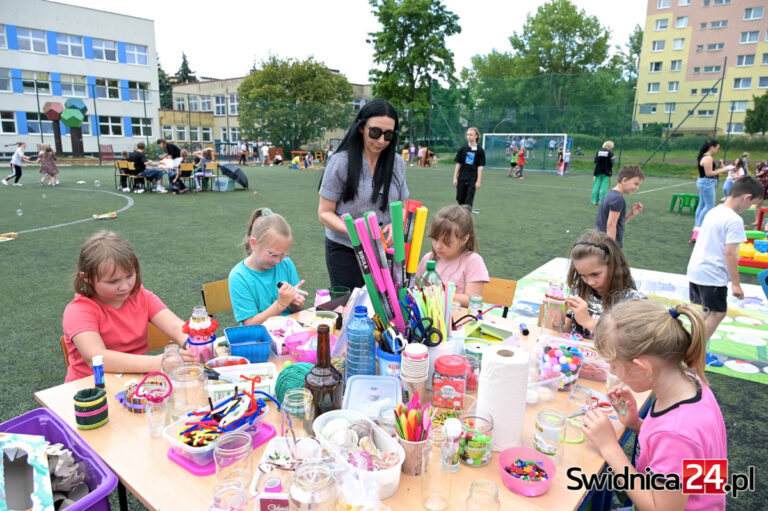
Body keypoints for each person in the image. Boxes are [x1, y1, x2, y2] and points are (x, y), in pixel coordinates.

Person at [583, 300, 727, 511]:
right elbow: (678, 454)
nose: (612, 372)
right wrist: (635, 423)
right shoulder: (689, 383)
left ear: (643, 367)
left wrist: (609, 447)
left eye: (614, 365)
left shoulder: (676, 432)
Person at [62, 231, 195, 382]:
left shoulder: (141, 295)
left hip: (133, 381)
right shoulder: (79, 311)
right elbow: (97, 357)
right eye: (113, 281)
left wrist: (192, 343)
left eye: (130, 276)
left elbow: (176, 326)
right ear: (86, 278)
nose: (124, 286)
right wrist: (157, 362)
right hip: (90, 388)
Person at [318, 99, 408, 290]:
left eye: (388, 134)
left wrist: (396, 224)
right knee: (350, 306)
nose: (381, 141)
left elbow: (404, 205)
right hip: (347, 250)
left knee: (385, 310)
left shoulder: (397, 163)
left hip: (385, 251)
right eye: (375, 132)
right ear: (361, 127)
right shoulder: (340, 162)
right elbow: (324, 213)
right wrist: (358, 231)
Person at [686, 177, 763, 366]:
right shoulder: (734, 219)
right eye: (752, 204)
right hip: (713, 275)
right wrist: (736, 283)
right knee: (717, 313)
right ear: (747, 197)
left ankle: (690, 348)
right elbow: (730, 253)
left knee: (705, 312)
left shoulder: (714, 211)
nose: (750, 208)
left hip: (697, 270)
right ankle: (696, 354)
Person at [228, 208, 307, 325]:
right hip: (260, 339)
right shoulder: (239, 277)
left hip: (290, 332)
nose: (278, 260)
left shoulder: (286, 264)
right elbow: (249, 324)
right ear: (254, 243)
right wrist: (281, 304)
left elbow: (299, 312)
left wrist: (294, 302)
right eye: (273, 254)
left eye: (283, 254)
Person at [564, 230, 646, 339]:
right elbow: (564, 330)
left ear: (614, 267)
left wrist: (589, 322)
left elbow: (633, 342)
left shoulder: (635, 302)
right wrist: (556, 316)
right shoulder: (579, 292)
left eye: (595, 274)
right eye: (582, 275)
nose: (590, 282)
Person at [415, 205, 489, 307]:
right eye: (435, 239)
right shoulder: (428, 259)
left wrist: (441, 294)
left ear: (464, 239)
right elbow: (415, 288)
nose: (438, 246)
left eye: (447, 242)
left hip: (458, 319)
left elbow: (472, 300)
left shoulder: (473, 261)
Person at [594, 165, 645, 248]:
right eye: (636, 184)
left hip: (601, 242)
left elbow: (617, 222)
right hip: (606, 245)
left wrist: (632, 214)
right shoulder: (618, 199)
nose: (637, 188)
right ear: (624, 180)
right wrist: (612, 249)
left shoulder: (611, 194)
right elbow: (611, 225)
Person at [691, 140, 731, 242]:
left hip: (703, 182)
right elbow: (709, 173)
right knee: (709, 206)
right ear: (712, 147)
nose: (718, 150)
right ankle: (698, 230)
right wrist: (725, 170)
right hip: (707, 183)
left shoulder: (703, 156)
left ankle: (696, 231)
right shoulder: (708, 158)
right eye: (717, 148)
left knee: (702, 205)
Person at [452, 127, 485, 214]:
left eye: (471, 135)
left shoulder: (480, 151)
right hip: (462, 177)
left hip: (472, 178)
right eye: (467, 135)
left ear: (476, 136)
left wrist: (478, 181)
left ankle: (466, 220)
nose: (468, 136)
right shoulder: (462, 149)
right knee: (460, 199)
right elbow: (458, 164)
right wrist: (455, 178)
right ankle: (460, 217)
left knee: (469, 200)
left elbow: (480, 166)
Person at [591, 141, 615, 205]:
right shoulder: (611, 153)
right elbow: (612, 163)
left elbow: (595, 161)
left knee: (596, 186)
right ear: (610, 146)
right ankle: (602, 201)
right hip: (607, 172)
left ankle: (594, 200)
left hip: (598, 171)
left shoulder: (598, 151)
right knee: (604, 187)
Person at [754, 158, 768, 228]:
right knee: (758, 203)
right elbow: (756, 174)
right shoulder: (762, 164)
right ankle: (757, 220)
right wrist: (759, 173)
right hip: (762, 185)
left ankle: (767, 224)